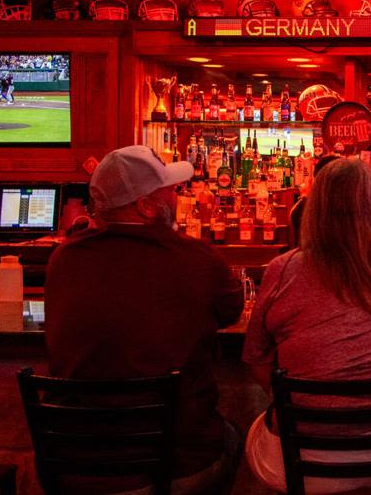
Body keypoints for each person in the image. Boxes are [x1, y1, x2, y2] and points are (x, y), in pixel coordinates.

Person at [45, 145, 244, 494]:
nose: (176, 194)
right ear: (145, 205)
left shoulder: (63, 259)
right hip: (174, 467)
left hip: (74, 464)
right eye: (168, 188)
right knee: (235, 436)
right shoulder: (195, 258)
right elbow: (231, 310)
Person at [242, 158, 371, 494]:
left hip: (306, 453)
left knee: (251, 437)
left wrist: (295, 402)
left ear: (314, 207)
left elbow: (255, 357)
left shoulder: (283, 268)